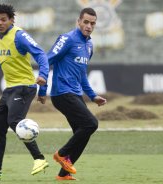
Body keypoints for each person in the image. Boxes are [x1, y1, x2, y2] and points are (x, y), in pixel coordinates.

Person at [0, 4, 49, 179]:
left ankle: (39, 159)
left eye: (3, 20)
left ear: (12, 20)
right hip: (11, 88)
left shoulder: (19, 36)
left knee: (15, 121)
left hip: (25, 87)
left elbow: (41, 55)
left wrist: (43, 76)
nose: (0, 23)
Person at [38, 7, 107, 181]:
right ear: (78, 21)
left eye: (93, 23)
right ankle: (61, 154)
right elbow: (47, 60)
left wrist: (92, 96)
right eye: (86, 22)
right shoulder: (67, 39)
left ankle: (64, 174)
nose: (89, 26)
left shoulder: (89, 45)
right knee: (91, 124)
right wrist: (43, 89)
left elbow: (82, 74)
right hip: (62, 94)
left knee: (82, 132)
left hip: (75, 95)